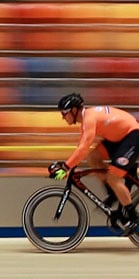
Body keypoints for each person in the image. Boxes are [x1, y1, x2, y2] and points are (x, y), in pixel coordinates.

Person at [49, 92, 139, 234]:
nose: (62, 117)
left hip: (133, 136)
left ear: (73, 110)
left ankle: (132, 218)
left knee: (113, 177)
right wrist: (67, 164)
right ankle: (113, 194)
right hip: (119, 138)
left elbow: (83, 147)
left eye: (64, 113)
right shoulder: (86, 120)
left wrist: (66, 167)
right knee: (93, 157)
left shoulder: (89, 118)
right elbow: (81, 148)